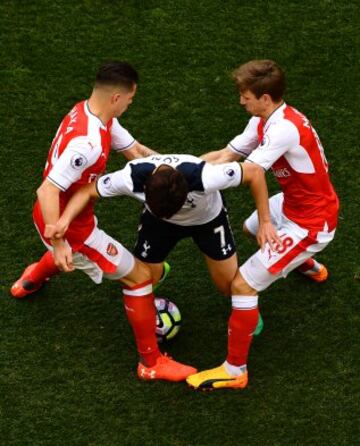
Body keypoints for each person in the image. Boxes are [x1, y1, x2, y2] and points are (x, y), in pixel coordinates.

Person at [10, 61, 196, 382]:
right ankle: (151, 362)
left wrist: (175, 171)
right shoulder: (88, 143)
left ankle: (33, 276)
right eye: (130, 99)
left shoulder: (92, 115)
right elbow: (47, 190)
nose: (130, 104)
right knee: (139, 278)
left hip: (59, 220)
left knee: (89, 261)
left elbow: (137, 151)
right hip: (70, 230)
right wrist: (59, 243)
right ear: (116, 98)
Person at [186, 59, 340, 390]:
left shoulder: (282, 129)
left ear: (265, 98)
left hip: (311, 223)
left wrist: (270, 221)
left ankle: (235, 371)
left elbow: (251, 173)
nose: (241, 100)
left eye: (245, 95)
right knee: (250, 227)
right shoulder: (265, 120)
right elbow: (227, 155)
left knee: (242, 286)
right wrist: (181, 168)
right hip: (296, 203)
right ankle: (304, 264)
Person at [45, 153, 280, 354]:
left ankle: (246, 306)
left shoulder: (204, 175)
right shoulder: (132, 176)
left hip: (208, 221)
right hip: (158, 224)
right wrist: (63, 221)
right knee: (144, 278)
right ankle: (159, 270)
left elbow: (254, 173)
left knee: (229, 286)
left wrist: (266, 221)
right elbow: (87, 191)